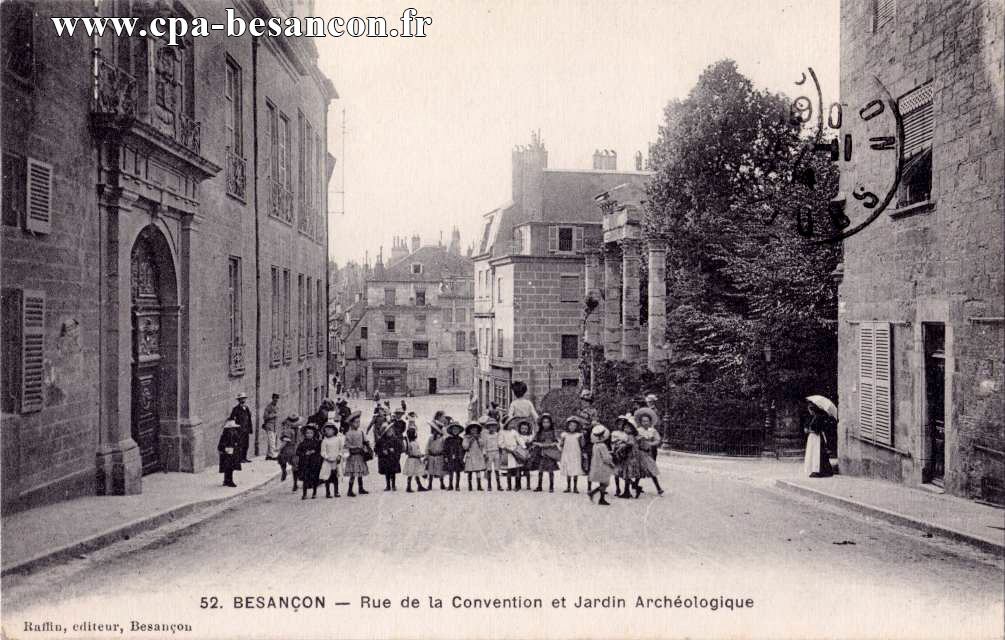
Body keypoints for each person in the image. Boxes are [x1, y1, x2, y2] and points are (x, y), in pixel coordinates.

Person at [634, 407, 665, 496]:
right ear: (640, 422)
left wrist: (651, 443)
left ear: (650, 421)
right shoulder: (639, 431)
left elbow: (658, 440)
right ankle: (636, 485)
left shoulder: (653, 431)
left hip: (649, 452)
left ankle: (658, 488)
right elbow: (635, 440)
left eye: (647, 421)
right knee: (640, 470)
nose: (645, 423)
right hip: (640, 452)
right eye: (643, 421)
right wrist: (639, 440)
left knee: (651, 469)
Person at [530, 413, 560, 492]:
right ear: (541, 423)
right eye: (544, 422)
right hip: (542, 453)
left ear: (550, 423)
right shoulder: (539, 432)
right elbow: (533, 441)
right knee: (540, 470)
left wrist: (551, 444)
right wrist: (539, 444)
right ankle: (539, 486)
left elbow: (556, 442)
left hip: (550, 454)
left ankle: (551, 486)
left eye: (547, 422)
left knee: (550, 471)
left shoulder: (553, 432)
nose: (546, 424)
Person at [804, 403, 835, 478]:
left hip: (816, 438)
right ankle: (815, 470)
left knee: (817, 454)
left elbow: (817, 430)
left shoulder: (818, 418)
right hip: (813, 438)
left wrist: (808, 431)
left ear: (812, 410)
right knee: (815, 454)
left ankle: (818, 471)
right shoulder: (814, 417)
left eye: (809, 410)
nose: (809, 412)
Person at [343, 411, 370, 496]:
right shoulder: (348, 434)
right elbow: (347, 445)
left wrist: (366, 444)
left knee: (360, 473)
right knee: (353, 474)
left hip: (360, 456)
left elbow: (365, 441)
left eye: (359, 422)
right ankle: (349, 490)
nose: (358, 424)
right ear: (351, 423)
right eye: (356, 422)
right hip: (353, 456)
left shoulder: (361, 432)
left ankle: (361, 488)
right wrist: (355, 448)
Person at [587, 425, 615, 506]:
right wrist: (611, 463)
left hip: (596, 465)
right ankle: (594, 493)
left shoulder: (595, 445)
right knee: (605, 483)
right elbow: (606, 458)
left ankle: (601, 498)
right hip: (603, 466)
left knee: (602, 482)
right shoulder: (602, 445)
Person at [376, 415, 404, 491]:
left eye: (391, 430)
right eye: (389, 431)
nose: (391, 432)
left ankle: (393, 485)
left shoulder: (395, 439)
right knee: (387, 473)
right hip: (385, 459)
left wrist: (394, 450)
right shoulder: (381, 440)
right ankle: (388, 485)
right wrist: (382, 451)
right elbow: (377, 448)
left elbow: (399, 448)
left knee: (393, 472)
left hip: (393, 458)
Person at [559, 415, 586, 493]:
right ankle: (568, 487)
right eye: (570, 425)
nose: (572, 427)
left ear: (577, 426)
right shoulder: (564, 434)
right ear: (567, 426)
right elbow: (561, 444)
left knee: (575, 470)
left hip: (576, 454)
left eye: (574, 425)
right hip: (567, 454)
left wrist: (583, 436)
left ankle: (575, 487)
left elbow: (582, 445)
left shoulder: (579, 435)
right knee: (568, 470)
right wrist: (561, 443)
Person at [296, 424, 323, 500]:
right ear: (305, 434)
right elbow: (297, 452)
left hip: (314, 463)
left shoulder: (317, 443)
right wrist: (305, 453)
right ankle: (304, 494)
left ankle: (314, 493)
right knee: (305, 479)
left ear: (314, 434)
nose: (309, 435)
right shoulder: (302, 444)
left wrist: (314, 452)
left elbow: (320, 452)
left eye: (311, 433)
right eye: (307, 433)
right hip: (305, 464)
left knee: (314, 478)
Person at [320, 422, 343, 498]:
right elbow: (323, 451)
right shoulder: (325, 441)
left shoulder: (338, 439)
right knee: (327, 478)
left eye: (330, 430)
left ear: (334, 430)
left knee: (335, 477)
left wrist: (339, 455)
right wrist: (327, 457)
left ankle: (336, 492)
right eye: (326, 430)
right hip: (328, 462)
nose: (328, 431)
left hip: (335, 461)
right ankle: (328, 492)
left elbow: (341, 449)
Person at [277, 414, 301, 486]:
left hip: (288, 450)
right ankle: (295, 483)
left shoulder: (287, 431)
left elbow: (285, 441)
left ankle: (284, 471)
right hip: (297, 449)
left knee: (281, 459)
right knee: (295, 467)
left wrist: (279, 448)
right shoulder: (300, 430)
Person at [229, 392, 253, 463]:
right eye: (241, 399)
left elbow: (249, 419)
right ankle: (240, 459)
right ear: (239, 400)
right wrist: (235, 427)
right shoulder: (236, 409)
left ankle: (244, 457)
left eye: (244, 399)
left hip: (246, 430)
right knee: (240, 444)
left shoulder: (246, 408)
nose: (243, 401)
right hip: (239, 430)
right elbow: (232, 418)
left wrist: (250, 428)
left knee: (246, 444)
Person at [217, 419, 242, 487]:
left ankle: (226, 480)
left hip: (230, 451)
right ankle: (229, 481)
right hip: (229, 452)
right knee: (230, 467)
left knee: (229, 467)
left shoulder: (227, 433)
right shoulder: (229, 433)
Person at [462, 422, 486, 491]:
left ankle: (479, 485)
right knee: (469, 470)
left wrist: (478, 439)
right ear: (469, 430)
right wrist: (471, 440)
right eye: (472, 429)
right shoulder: (466, 437)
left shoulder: (479, 437)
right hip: (470, 455)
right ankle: (470, 485)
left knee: (478, 470)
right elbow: (465, 447)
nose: (474, 430)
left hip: (477, 454)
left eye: (475, 429)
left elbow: (482, 445)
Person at [443, 420, 466, 492]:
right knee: (450, 472)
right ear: (451, 430)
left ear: (459, 431)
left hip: (458, 458)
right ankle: (450, 485)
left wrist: (462, 456)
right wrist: (445, 456)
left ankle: (457, 485)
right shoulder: (448, 439)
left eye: (457, 429)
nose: (455, 431)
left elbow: (464, 449)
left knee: (458, 472)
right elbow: (445, 449)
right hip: (450, 457)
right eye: (454, 429)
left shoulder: (461, 439)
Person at [425, 416, 447, 490]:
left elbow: (444, 448)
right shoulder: (431, 438)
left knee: (440, 471)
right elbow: (427, 447)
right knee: (431, 471)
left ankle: (442, 483)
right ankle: (430, 484)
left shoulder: (442, 439)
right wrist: (426, 456)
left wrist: (445, 456)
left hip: (439, 456)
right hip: (431, 456)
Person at [482, 417, 503, 491]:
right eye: (490, 426)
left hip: (496, 452)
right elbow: (484, 445)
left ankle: (499, 485)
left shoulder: (497, 435)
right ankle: (489, 485)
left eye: (493, 426)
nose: (492, 428)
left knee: (497, 469)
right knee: (489, 469)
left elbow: (500, 443)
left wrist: (501, 451)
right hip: (489, 452)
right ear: (488, 427)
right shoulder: (486, 436)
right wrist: (484, 454)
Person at [403, 427, 426, 492]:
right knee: (415, 473)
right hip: (414, 460)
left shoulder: (409, 443)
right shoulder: (413, 443)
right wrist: (421, 455)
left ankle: (413, 486)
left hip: (411, 460)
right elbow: (416, 452)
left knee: (413, 473)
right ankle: (413, 486)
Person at [262, 393, 281, 460]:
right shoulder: (268, 407)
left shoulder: (277, 407)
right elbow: (265, 416)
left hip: (275, 426)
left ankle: (268, 455)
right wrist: (273, 415)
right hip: (269, 426)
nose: (276, 400)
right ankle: (273, 455)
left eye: (277, 399)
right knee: (272, 441)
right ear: (272, 399)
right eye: (275, 399)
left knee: (271, 441)